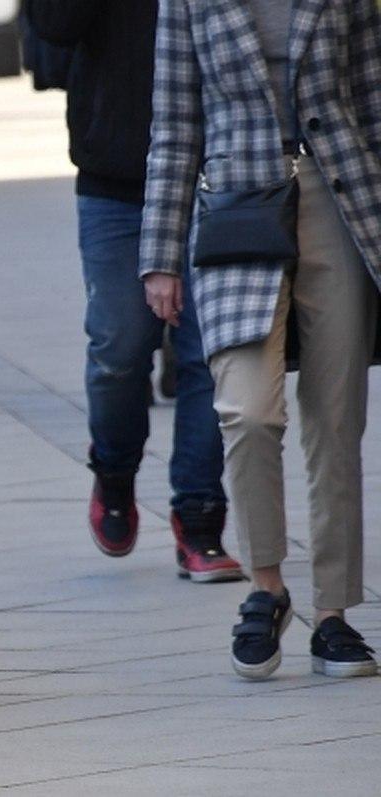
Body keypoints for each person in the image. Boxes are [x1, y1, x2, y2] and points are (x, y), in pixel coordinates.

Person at [141, 0, 381, 679]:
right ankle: (267, 587)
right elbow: (176, 124)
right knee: (246, 410)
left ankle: (333, 614)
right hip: (236, 213)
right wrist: (160, 255)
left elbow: (374, 100)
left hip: (341, 202)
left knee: (336, 421)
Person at [25, 1, 240, 582]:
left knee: (209, 353)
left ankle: (199, 521)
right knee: (119, 348)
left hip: (212, 174)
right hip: (115, 178)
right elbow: (52, 26)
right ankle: (115, 470)